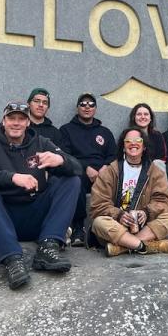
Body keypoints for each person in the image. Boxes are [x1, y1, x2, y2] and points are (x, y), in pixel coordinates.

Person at [0, 102, 81, 289]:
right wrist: (13, 178)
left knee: (71, 180)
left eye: (21, 119)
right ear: (3, 121)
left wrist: (61, 160)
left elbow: (77, 168)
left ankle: (48, 246)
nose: (16, 123)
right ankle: (12, 258)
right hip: (1, 218)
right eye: (12, 118)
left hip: (34, 216)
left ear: (28, 122)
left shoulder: (42, 142)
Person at [90, 127, 168, 257]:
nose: (133, 143)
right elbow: (98, 205)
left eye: (138, 140)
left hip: (145, 227)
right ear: (123, 147)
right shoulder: (110, 171)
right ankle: (144, 246)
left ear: (144, 147)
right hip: (117, 227)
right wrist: (119, 215)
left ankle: (123, 247)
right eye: (128, 141)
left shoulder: (155, 171)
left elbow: (164, 201)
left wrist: (147, 212)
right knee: (98, 223)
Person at [59, 93, 117, 246]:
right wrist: (85, 168)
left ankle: (109, 228)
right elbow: (65, 155)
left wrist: (105, 167)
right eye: (83, 104)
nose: (87, 107)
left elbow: (113, 154)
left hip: (104, 172)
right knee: (75, 181)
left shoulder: (105, 132)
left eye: (91, 104)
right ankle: (79, 227)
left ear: (95, 109)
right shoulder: (66, 130)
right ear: (78, 107)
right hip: (79, 171)